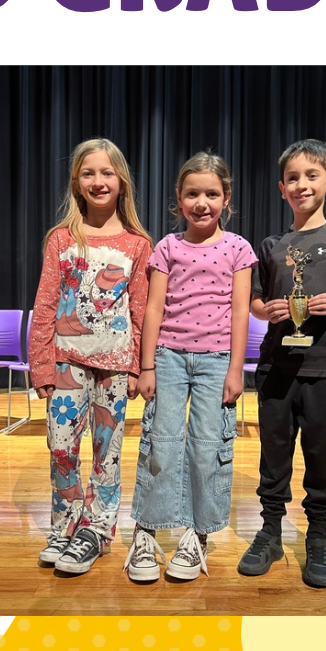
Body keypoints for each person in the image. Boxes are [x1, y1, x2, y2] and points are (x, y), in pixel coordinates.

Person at [238, 139, 326, 588]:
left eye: (311, 176)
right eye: (293, 178)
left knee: (321, 456)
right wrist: (267, 312)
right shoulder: (272, 245)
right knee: (273, 455)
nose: (301, 185)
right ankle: (271, 531)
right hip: (276, 368)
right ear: (282, 189)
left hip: (325, 369)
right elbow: (255, 302)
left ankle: (318, 536)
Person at [126, 152, 256, 582]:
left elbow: (241, 312)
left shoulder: (238, 248)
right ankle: (147, 530)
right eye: (192, 193)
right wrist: (147, 367)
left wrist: (235, 370)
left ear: (227, 198)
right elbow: (154, 309)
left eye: (212, 194)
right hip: (168, 358)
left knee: (206, 447)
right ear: (179, 200)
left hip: (217, 361)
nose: (202, 202)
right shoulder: (167, 247)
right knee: (160, 442)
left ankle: (197, 534)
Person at [30, 139, 152, 575]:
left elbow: (141, 310)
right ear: (76, 182)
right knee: (61, 447)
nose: (98, 181)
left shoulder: (138, 245)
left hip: (115, 367)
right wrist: (40, 364)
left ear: (121, 181)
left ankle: (95, 531)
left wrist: (139, 366)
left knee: (108, 452)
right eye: (89, 173)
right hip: (66, 363)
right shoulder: (61, 240)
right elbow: (45, 304)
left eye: (106, 173)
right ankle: (65, 523)